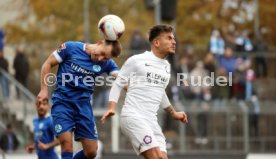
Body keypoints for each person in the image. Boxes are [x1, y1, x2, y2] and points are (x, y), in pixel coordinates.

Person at [101, 24, 188, 159]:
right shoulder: (137, 60)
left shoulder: (166, 66)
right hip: (133, 116)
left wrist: (173, 113)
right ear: (156, 42)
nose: (174, 41)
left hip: (152, 122)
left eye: (173, 39)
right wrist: (111, 107)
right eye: (169, 38)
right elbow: (118, 83)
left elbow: (160, 92)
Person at [36, 40, 122, 159]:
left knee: (91, 152)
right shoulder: (70, 47)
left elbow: (121, 80)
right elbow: (47, 64)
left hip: (84, 106)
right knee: (66, 145)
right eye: (102, 53)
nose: (101, 58)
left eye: (105, 57)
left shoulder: (107, 63)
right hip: (63, 103)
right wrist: (44, 90)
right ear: (100, 42)